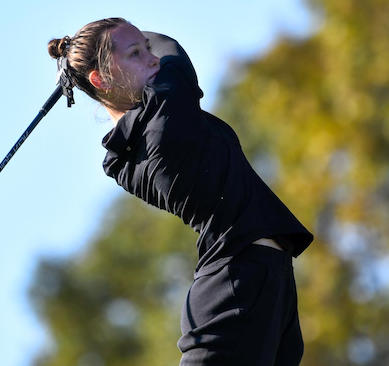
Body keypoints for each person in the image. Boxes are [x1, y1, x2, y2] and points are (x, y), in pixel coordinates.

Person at [48, 18, 314, 366]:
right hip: (236, 282)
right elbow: (172, 50)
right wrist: (99, 51)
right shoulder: (165, 112)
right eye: (136, 53)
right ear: (101, 78)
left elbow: (160, 59)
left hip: (262, 276)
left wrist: (81, 64)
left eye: (146, 48)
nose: (152, 58)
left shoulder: (122, 160)